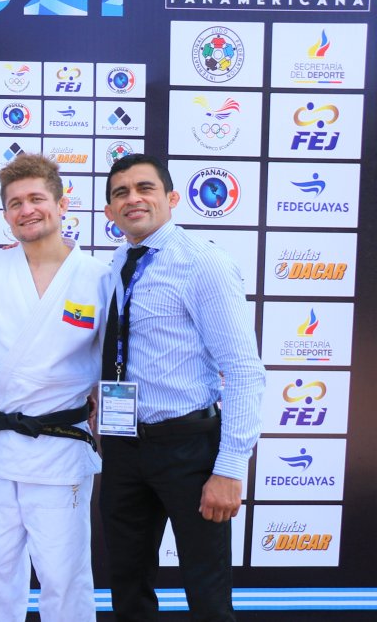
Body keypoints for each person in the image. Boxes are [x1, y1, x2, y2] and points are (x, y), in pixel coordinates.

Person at [100, 153, 263, 621]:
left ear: (171, 198)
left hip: (190, 449)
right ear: (110, 212)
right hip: (124, 447)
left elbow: (245, 370)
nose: (132, 198)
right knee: (128, 585)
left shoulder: (202, 263)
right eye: (120, 193)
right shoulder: (119, 262)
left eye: (144, 188)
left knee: (207, 591)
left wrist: (229, 469)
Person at [0, 154, 110, 622]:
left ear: (62, 203)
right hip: (1, 446)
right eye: (14, 203)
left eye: (36, 199)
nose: (26, 210)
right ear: (5, 213)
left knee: (64, 576)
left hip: (62, 449)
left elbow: (118, 361)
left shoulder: (99, 277)